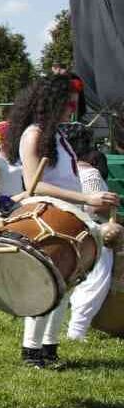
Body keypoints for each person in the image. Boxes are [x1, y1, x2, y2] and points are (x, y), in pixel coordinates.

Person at [5, 73, 118, 367]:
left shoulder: (57, 134)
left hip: (68, 217)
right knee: (48, 285)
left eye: (74, 103)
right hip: (50, 217)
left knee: (65, 286)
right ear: (50, 102)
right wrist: (87, 199)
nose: (71, 108)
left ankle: (49, 349)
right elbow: (34, 184)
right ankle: (32, 351)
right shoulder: (34, 134)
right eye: (67, 102)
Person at [61, 124, 118, 342]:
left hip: (67, 230)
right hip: (93, 232)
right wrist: (111, 203)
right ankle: (77, 331)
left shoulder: (63, 171)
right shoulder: (90, 173)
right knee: (96, 281)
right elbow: (94, 207)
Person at [0, 120, 24, 201]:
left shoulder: (18, 154)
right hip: (6, 205)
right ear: (2, 140)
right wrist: (2, 200)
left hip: (21, 200)